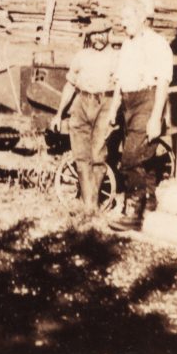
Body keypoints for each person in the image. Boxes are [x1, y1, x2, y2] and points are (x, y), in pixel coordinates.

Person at [107, 0, 174, 231]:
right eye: (122, 19)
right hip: (129, 102)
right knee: (140, 155)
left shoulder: (158, 44)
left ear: (142, 19)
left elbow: (164, 82)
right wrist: (115, 106)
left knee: (131, 158)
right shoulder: (127, 45)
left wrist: (156, 117)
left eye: (127, 19)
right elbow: (119, 80)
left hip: (148, 100)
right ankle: (149, 203)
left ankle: (133, 213)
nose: (123, 24)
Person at [50, 20, 119, 212]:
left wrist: (114, 110)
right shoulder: (82, 56)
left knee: (97, 154)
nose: (97, 37)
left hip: (104, 103)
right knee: (81, 155)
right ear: (89, 36)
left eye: (101, 33)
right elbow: (70, 85)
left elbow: (120, 88)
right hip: (81, 103)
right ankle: (87, 202)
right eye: (94, 34)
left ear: (109, 33)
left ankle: (91, 204)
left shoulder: (116, 57)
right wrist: (58, 114)